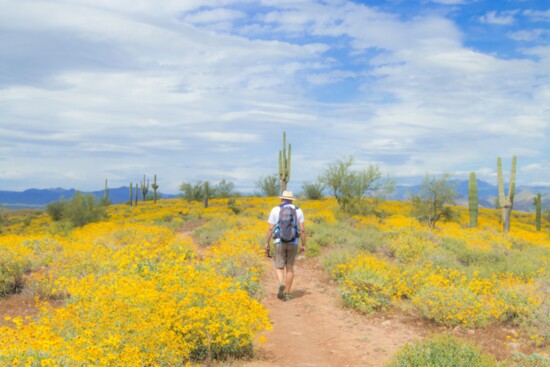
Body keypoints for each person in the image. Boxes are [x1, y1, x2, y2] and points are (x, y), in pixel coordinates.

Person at [265, 190, 306, 301]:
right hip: (293, 242)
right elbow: (302, 230)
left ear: (281, 199)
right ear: (292, 200)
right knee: (290, 268)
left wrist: (267, 242)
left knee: (279, 266)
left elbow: (270, 228)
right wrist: (303, 245)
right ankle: (287, 293)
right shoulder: (298, 210)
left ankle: (281, 283)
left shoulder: (275, 210)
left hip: (279, 241)